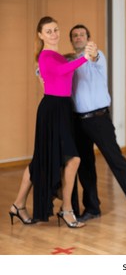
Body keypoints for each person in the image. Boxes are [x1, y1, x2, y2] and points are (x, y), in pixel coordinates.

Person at [8, 16, 94, 228]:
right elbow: (62, 71)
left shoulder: (57, 55)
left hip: (62, 108)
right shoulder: (45, 56)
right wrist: (85, 58)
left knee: (42, 160)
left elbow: (61, 75)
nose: (54, 34)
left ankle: (18, 205)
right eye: (49, 31)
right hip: (51, 109)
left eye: (56, 29)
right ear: (40, 35)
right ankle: (66, 210)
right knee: (72, 159)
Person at [67, 24, 126, 222]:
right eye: (75, 36)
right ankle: (92, 208)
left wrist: (91, 53)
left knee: (115, 160)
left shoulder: (96, 56)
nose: (78, 38)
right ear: (71, 40)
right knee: (85, 166)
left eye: (82, 35)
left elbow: (94, 56)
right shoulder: (70, 61)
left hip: (99, 119)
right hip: (78, 121)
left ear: (88, 38)